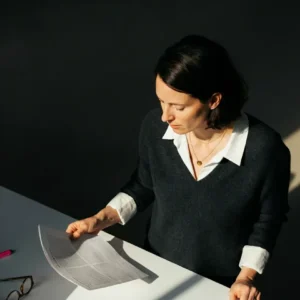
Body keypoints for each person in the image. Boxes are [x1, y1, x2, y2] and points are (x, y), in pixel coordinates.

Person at [66, 35, 290, 300]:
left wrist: (246, 278)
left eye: (178, 106)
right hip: (156, 266)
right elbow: (144, 184)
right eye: (161, 101)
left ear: (214, 100)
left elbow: (268, 220)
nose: (165, 116)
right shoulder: (155, 127)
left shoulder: (265, 149)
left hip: (219, 283)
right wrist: (100, 219)